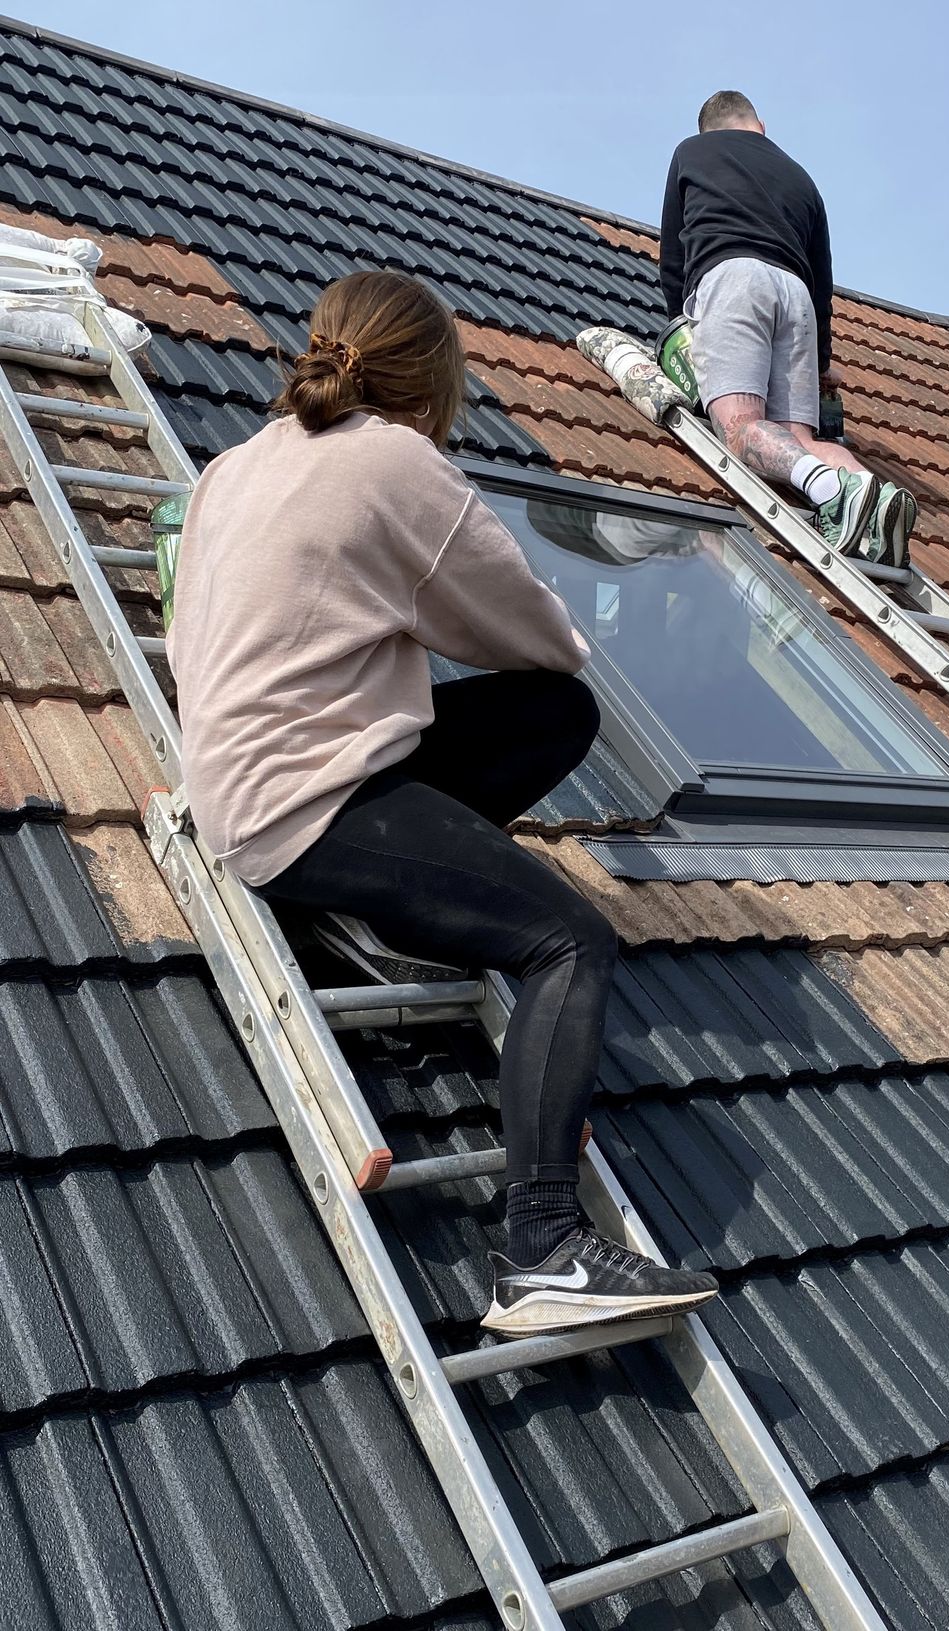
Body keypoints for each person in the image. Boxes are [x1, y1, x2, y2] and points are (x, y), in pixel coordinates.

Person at [165, 269, 717, 1337]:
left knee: (551, 717)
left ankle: (368, 908)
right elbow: (546, 638)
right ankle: (542, 1247)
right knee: (569, 940)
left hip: (237, 769)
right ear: (435, 381)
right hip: (303, 805)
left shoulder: (233, 465)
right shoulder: (398, 462)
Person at [660, 90, 917, 568]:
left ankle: (829, 492)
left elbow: (674, 258)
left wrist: (680, 324)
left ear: (707, 130)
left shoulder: (690, 153)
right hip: (796, 296)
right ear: (761, 126)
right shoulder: (802, 178)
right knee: (800, 438)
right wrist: (821, 359)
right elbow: (823, 279)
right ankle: (871, 498)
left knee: (739, 427)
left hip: (731, 277)